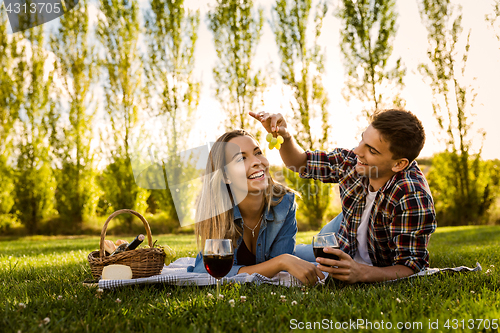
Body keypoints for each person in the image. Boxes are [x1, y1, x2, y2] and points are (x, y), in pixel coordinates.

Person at [249, 109, 437, 283]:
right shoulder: (352, 163)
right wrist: (285, 136)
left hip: (368, 260)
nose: (357, 151)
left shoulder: (411, 195)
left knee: (295, 273)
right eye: (362, 140)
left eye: (371, 150)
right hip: (341, 241)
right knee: (281, 257)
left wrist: (361, 272)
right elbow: (300, 163)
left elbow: (412, 268)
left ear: (398, 164)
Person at [188, 129, 324, 286]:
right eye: (241, 159)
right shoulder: (219, 212)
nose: (256, 161)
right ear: (225, 176)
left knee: (331, 254)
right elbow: (204, 269)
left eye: (258, 152)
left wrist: (283, 260)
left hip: (296, 252)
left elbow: (283, 262)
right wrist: (282, 262)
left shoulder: (284, 203)